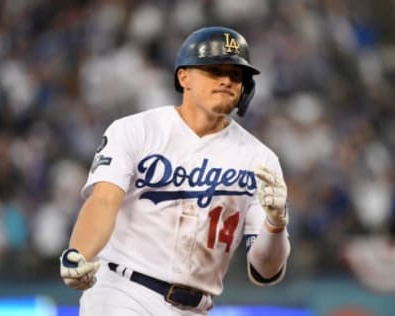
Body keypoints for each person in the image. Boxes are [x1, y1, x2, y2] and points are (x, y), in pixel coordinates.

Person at [59, 26, 291, 316]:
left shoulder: (260, 159)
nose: (226, 80)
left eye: (235, 74)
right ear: (184, 77)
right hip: (123, 291)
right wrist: (79, 253)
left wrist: (276, 224)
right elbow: (103, 200)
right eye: (214, 70)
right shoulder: (136, 130)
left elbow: (265, 271)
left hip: (197, 307)